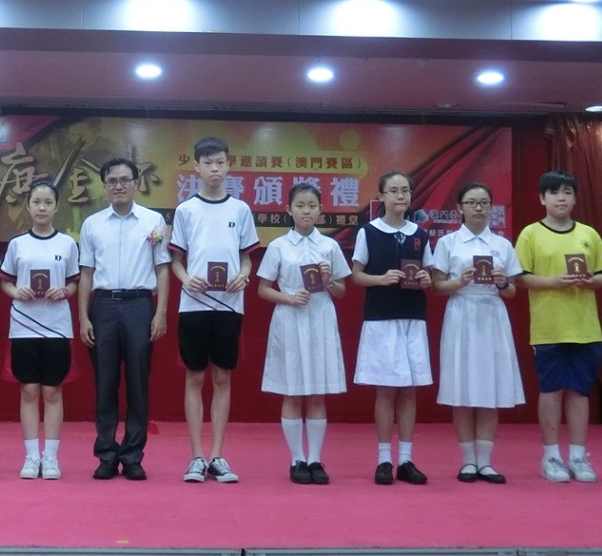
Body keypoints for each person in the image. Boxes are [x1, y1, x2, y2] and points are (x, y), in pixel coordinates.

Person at [169, 136, 259, 483]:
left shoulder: (240, 210)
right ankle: (196, 457)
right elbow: (176, 260)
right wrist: (185, 279)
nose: (215, 169)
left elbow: (247, 258)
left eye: (220, 162)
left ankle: (218, 456)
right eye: (208, 163)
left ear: (229, 165)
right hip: (194, 305)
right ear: (196, 167)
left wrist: (243, 277)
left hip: (229, 306)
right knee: (194, 377)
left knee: (223, 377)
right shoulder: (186, 210)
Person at [515, 169, 602, 483]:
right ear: (542, 198)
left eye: (567, 193)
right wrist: (555, 282)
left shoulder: (589, 234)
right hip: (549, 328)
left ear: (575, 198)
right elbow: (521, 278)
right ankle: (551, 456)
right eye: (554, 192)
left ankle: (579, 457)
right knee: (552, 390)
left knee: (580, 392)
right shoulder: (530, 234)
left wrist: (590, 280)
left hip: (585, 328)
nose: (561, 198)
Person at [78, 157, 170, 481]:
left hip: (139, 306)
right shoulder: (92, 224)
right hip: (103, 307)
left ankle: (132, 456)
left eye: (125, 180)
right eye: (112, 181)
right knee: (105, 383)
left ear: (136, 183)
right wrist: (83, 316)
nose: (119, 185)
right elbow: (86, 273)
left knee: (138, 383)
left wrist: (160, 312)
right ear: (104, 186)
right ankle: (106, 454)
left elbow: (162, 268)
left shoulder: (153, 221)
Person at [431, 182, 524, 484]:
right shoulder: (448, 243)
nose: (479, 208)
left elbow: (512, 291)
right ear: (459, 208)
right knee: (462, 389)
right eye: (472, 202)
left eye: (484, 202)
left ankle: (485, 462)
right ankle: (468, 461)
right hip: (461, 314)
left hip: (492, 315)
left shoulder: (502, 244)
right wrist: (459, 282)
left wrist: (502, 282)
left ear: (491, 207)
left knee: (489, 388)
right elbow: (437, 287)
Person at [257, 183, 350, 485]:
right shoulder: (278, 246)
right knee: (293, 389)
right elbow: (262, 289)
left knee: (317, 391)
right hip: (290, 319)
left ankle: (315, 459)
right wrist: (288, 297)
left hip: (320, 318)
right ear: (289, 210)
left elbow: (341, 291)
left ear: (321, 210)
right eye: (300, 205)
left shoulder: (330, 246)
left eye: (312, 206)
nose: (306, 211)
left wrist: (328, 280)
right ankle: (297, 459)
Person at [351, 170, 434, 485]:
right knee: (385, 390)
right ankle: (384, 459)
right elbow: (356, 275)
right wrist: (381, 279)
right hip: (381, 319)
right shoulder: (369, 232)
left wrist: (425, 279)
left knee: (409, 391)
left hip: (413, 318)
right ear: (381, 196)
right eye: (394, 191)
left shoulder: (420, 234)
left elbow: (430, 275)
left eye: (405, 191)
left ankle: (406, 460)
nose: (401, 196)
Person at [0, 180, 80, 480]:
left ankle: (52, 458)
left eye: (48, 202)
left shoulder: (67, 244)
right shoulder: (18, 244)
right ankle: (32, 457)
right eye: (36, 202)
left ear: (57, 207)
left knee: (53, 391)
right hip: (23, 327)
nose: (42, 207)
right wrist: (15, 291)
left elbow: (74, 282)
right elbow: (5, 282)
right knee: (29, 390)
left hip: (56, 328)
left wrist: (66, 291)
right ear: (28, 206)